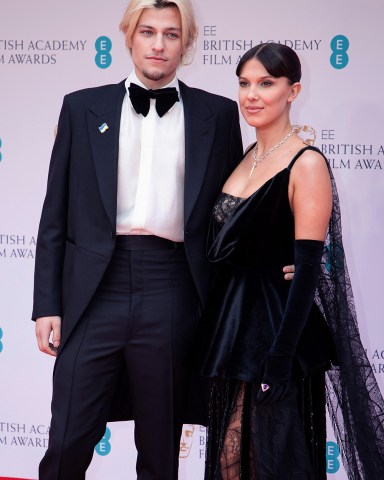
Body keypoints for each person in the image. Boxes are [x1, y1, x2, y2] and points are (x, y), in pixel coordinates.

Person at [31, 1, 244, 478]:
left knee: (161, 445)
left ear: (185, 45)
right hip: (93, 289)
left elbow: (231, 216)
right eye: (148, 31)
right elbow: (55, 213)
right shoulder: (81, 107)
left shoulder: (218, 114)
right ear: (128, 37)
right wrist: (47, 302)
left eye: (171, 34)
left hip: (173, 286)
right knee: (67, 439)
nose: (158, 44)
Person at [197, 43, 384, 479]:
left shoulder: (307, 163)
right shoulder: (244, 158)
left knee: (265, 462)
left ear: (293, 90)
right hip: (231, 329)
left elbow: (306, 274)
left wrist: (280, 357)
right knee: (231, 460)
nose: (252, 95)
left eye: (266, 83)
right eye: (244, 83)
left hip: (277, 334)